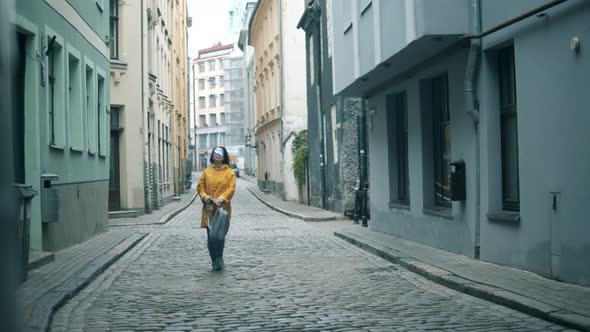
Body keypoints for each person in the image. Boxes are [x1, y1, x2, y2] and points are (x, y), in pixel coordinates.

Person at [197, 146, 236, 271]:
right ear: (212, 156)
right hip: (209, 209)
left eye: (220, 153)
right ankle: (214, 259)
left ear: (224, 156)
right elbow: (200, 187)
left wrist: (223, 198)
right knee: (211, 236)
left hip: (222, 209)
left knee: (220, 236)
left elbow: (231, 188)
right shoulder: (206, 172)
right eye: (215, 153)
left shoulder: (229, 172)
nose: (217, 155)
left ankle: (220, 257)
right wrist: (204, 196)